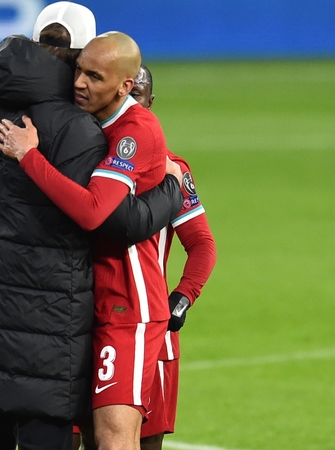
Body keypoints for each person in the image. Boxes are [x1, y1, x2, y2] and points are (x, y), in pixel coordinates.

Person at [0, 3, 182, 448]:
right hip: (49, 313)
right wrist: (174, 188)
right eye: (84, 70)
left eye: (95, 75)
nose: (81, 82)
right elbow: (110, 217)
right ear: (79, 52)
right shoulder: (76, 127)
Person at [130, 65, 217, 450]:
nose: (132, 108)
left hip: (152, 331)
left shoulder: (173, 170)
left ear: (151, 104)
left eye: (140, 99)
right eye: (125, 97)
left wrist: (181, 299)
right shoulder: (80, 163)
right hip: (80, 328)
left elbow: (201, 245)